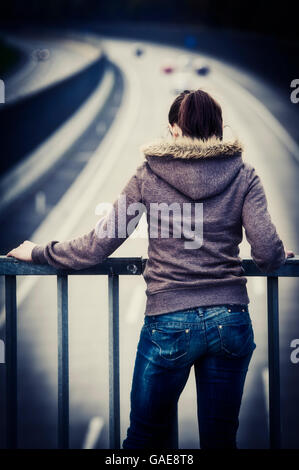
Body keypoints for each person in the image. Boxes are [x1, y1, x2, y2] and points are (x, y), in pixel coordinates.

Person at [7, 89, 294, 449]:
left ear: (175, 131)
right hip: (229, 320)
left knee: (144, 438)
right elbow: (268, 254)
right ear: (219, 129)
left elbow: (97, 246)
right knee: (221, 440)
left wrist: (40, 252)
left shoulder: (148, 175)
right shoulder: (244, 175)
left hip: (168, 322)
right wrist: (280, 252)